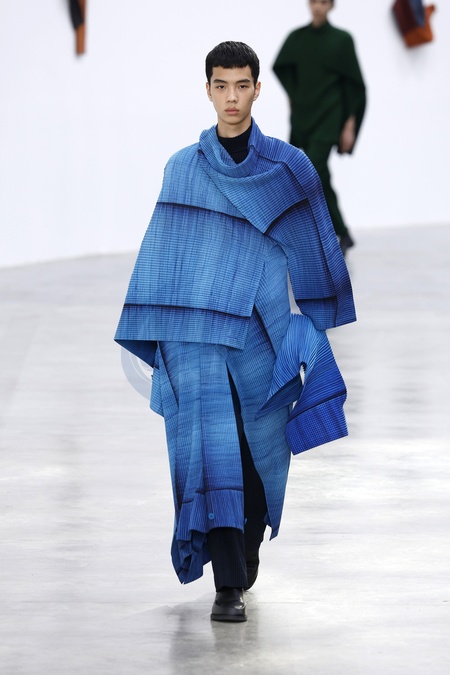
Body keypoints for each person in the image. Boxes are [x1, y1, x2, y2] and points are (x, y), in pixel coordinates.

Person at [115, 41, 356, 623]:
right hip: (194, 337)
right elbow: (163, 251)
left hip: (258, 334)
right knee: (208, 451)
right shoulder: (183, 167)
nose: (231, 97)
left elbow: (314, 247)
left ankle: (244, 556)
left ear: (256, 89)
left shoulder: (287, 169)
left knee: (255, 454)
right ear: (208, 90)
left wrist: (315, 327)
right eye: (221, 86)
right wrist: (156, 334)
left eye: (241, 85)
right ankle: (227, 587)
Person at [273, 0, 366, 255]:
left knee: (313, 168)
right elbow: (283, 69)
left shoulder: (341, 40)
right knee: (308, 174)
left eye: (323, 2)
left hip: (330, 117)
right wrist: (293, 96)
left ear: (331, 5)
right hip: (304, 116)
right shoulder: (297, 38)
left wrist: (349, 126)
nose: (317, 7)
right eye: (314, 1)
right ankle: (340, 233)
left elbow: (354, 85)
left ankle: (327, 234)